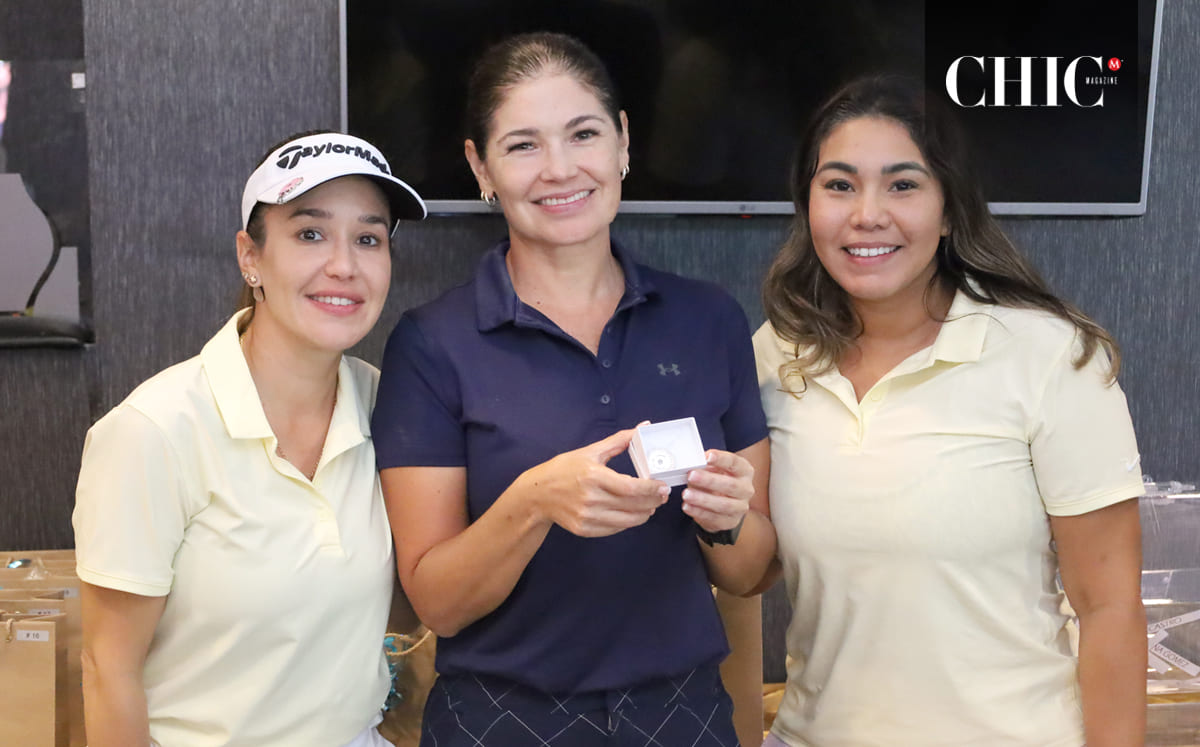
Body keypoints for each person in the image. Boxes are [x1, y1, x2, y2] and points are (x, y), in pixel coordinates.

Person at [370, 32, 775, 747]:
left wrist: (727, 517)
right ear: (480, 166)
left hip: (681, 718)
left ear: (622, 143)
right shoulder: (433, 343)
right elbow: (438, 600)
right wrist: (532, 503)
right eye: (523, 145)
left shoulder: (709, 319)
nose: (560, 169)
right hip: (501, 720)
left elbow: (749, 574)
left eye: (583, 134)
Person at [754, 75, 1146, 747]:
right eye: (839, 185)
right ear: (807, 203)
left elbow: (1109, 606)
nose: (866, 214)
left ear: (949, 206)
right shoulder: (772, 355)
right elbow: (752, 568)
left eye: (903, 185)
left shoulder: (1051, 356)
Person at [72, 131, 427, 747]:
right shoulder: (154, 431)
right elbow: (109, 671)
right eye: (310, 233)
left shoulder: (387, 403)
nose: (344, 265)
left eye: (368, 238)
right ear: (250, 257)